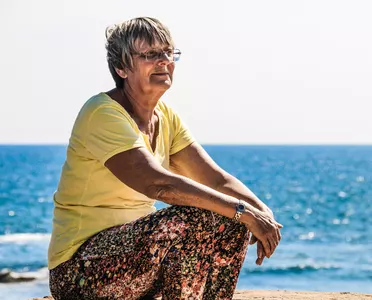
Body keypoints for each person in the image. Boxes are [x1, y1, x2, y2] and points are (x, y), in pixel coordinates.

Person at [48, 17, 283, 300]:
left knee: (232, 220)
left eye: (167, 53)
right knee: (198, 215)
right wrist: (243, 211)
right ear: (122, 68)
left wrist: (260, 213)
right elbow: (158, 185)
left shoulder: (166, 116)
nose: (163, 61)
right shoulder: (102, 113)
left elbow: (216, 179)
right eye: (149, 55)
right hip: (78, 272)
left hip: (136, 261)